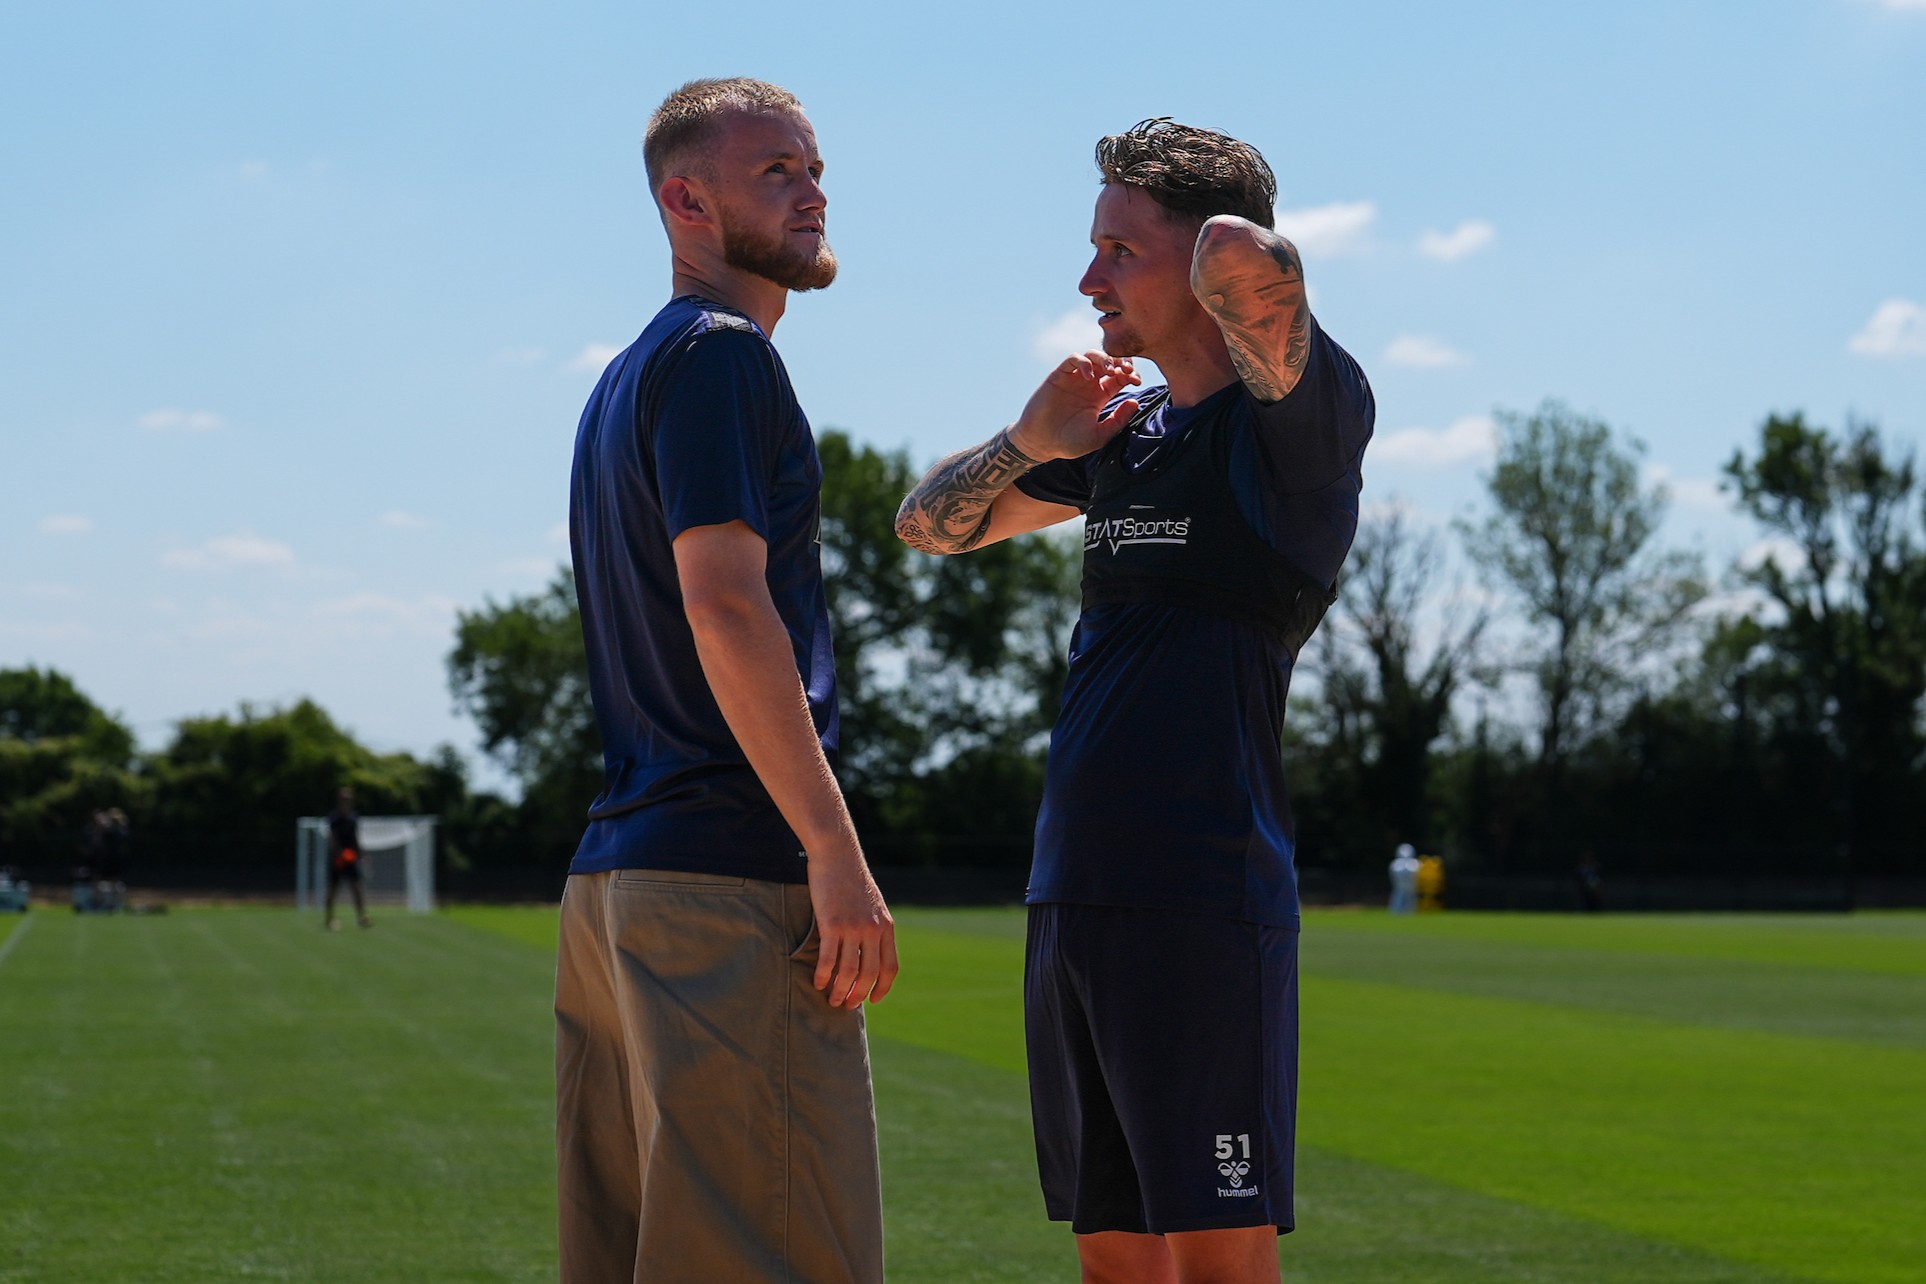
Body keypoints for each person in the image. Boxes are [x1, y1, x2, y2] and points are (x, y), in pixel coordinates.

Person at [897, 118, 1374, 1284]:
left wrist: (1208, 232)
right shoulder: (1125, 436)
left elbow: (1253, 261)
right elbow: (926, 525)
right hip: (1071, 891)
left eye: (1118, 249)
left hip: (1200, 896)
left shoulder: (1296, 425)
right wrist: (1028, 439)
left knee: (1219, 1255)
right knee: (1113, 1256)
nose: (1088, 278)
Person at [555, 77, 897, 1284]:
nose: (812, 194)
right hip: (724, 883)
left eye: (814, 170)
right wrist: (832, 845)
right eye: (775, 172)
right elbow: (725, 603)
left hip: (619, 888)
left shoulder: (628, 375)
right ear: (685, 201)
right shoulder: (722, 358)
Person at [323, 787, 371, 930]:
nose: (346, 801)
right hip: (337, 859)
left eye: (348, 799)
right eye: (344, 798)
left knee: (357, 887)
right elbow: (332, 838)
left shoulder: (354, 817)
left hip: (351, 858)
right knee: (333, 888)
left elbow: (356, 838)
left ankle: (362, 916)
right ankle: (330, 918)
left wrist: (362, 853)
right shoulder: (334, 818)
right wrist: (340, 853)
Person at [1389, 843, 1421, 915]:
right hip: (1401, 886)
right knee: (1399, 899)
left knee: (1410, 901)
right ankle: (1397, 911)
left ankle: (1410, 912)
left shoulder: (1414, 863)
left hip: (1410, 887)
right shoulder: (1396, 864)